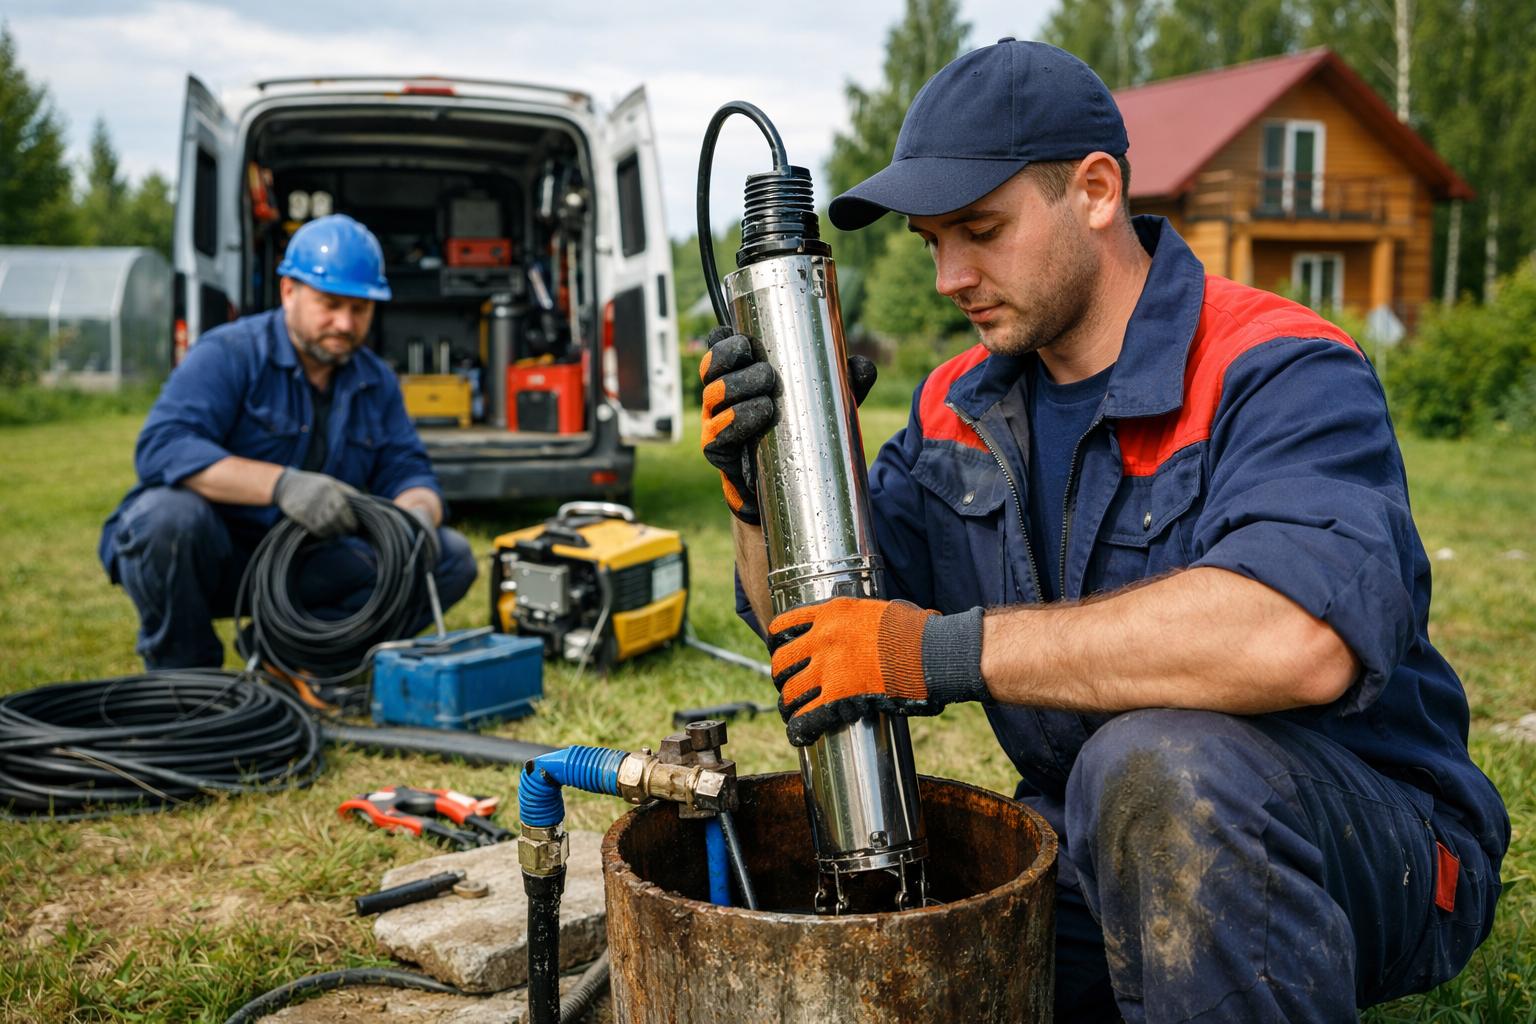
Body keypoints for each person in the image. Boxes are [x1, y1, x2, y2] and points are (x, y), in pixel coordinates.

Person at [702, 39, 1508, 1022]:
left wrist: (937, 650)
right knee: (921, 953)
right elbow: (835, 633)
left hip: (1353, 830)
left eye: (981, 230)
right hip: (1093, 828)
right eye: (931, 242)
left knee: (1160, 767)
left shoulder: (1277, 366)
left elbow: (1295, 641)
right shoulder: (960, 401)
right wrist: (765, 496)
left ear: (1093, 189)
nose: (952, 275)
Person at [100, 214, 477, 674]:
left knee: (449, 556)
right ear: (288, 292)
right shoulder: (229, 354)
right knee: (166, 519)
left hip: (309, 564)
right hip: (216, 556)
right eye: (330, 303)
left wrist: (417, 513)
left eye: (360, 308)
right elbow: (163, 447)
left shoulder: (375, 379)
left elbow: (409, 470)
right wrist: (282, 486)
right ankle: (187, 679)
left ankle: (293, 658)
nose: (344, 322)